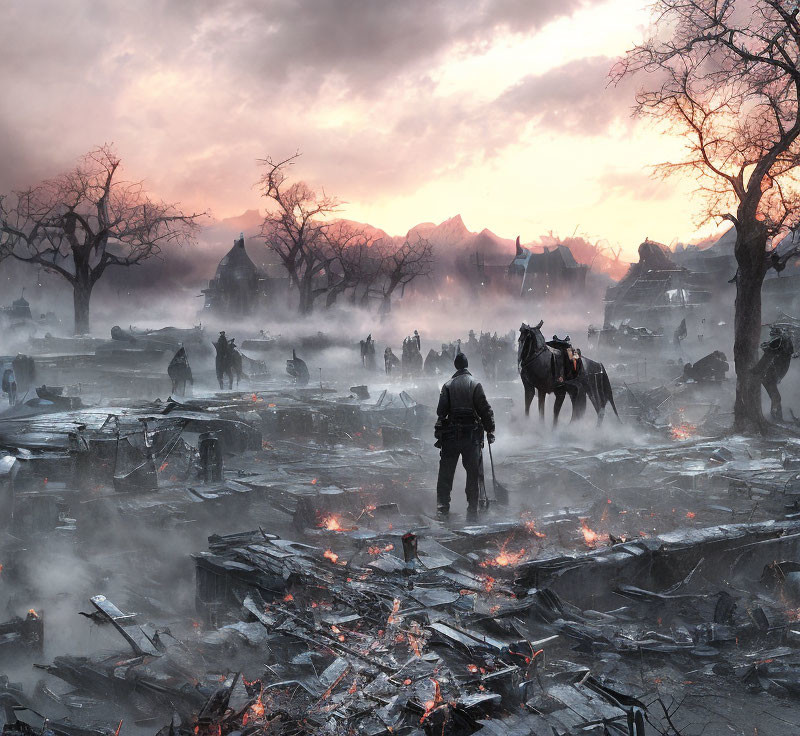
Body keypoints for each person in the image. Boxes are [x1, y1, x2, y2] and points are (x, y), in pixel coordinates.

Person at [434, 353, 495, 523]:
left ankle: (442, 509)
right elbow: (485, 410)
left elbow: (441, 412)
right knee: (473, 474)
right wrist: (490, 430)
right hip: (471, 437)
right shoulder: (475, 384)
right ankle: (472, 510)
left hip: (451, 436)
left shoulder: (447, 385)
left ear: (455, 366)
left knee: (446, 474)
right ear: (467, 365)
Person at [752, 326, 797, 421]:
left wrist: (755, 370)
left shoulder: (778, 341)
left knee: (774, 394)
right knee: (775, 395)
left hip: (771, 373)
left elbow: (766, 358)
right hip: (776, 373)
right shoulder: (785, 341)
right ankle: (776, 415)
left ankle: (776, 415)